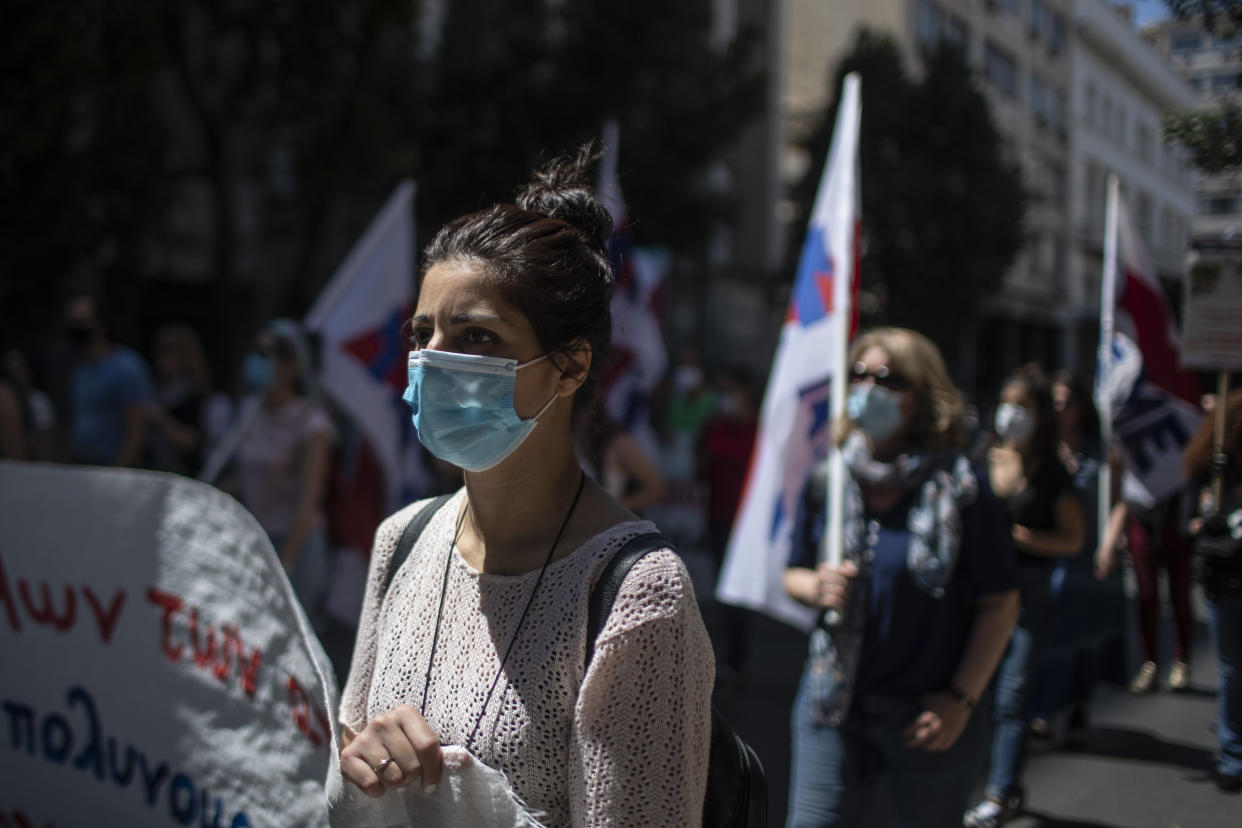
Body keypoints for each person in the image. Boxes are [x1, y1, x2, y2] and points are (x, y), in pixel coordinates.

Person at [335, 149, 714, 825]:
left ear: (568, 368)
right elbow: (345, 791)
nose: (433, 360)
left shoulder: (638, 594)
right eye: (423, 334)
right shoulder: (402, 541)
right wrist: (361, 769)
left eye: (476, 335)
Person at [783, 327, 1019, 828]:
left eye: (886, 378)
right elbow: (792, 574)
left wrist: (960, 700)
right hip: (832, 706)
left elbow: (1000, 603)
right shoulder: (831, 476)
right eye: (859, 374)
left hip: (927, 718)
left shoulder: (961, 487)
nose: (869, 387)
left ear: (920, 395)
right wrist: (814, 586)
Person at [965, 366, 1086, 827]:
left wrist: (1021, 538)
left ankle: (1001, 791)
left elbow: (1073, 539)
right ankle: (975, 781)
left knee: (1012, 696)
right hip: (976, 593)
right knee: (974, 690)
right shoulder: (980, 455)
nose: (1013, 414)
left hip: (1027, 595)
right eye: (1008, 403)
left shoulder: (1051, 473)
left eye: (1025, 407)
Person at [1029, 371, 1119, 745]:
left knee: (1085, 634)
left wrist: (1110, 543)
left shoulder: (1102, 449)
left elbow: (1119, 500)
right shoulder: (1043, 449)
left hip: (1092, 555)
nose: (1060, 408)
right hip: (1055, 554)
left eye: (1067, 401)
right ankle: (1045, 711)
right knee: (1055, 634)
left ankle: (1079, 700)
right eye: (1055, 402)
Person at [231, 318, 336, 629]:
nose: (257, 362)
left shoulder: (311, 423)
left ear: (291, 366)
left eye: (268, 355)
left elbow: (308, 504)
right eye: (256, 353)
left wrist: (286, 564)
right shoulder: (248, 411)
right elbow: (247, 481)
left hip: (295, 549)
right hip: (254, 545)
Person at [1184, 389, 1242, 794]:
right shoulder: (1213, 471)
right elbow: (1191, 524)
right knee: (1232, 670)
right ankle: (1232, 755)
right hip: (1228, 581)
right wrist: (1212, 519)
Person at [698, 366, 759, 677]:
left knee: (739, 593)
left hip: (747, 523)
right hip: (717, 517)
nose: (725, 397)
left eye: (730, 389)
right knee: (722, 589)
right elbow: (702, 467)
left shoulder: (760, 431)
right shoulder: (714, 426)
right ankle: (723, 657)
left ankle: (737, 658)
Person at [63, 293, 154, 467]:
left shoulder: (125, 367)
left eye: (82, 321)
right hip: (82, 463)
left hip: (111, 466)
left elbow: (138, 428)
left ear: (100, 324)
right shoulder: (81, 370)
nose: (75, 327)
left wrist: (118, 470)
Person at [146, 323, 232, 476]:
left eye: (169, 353)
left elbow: (192, 442)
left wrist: (161, 419)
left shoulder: (199, 396)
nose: (162, 360)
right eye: (161, 353)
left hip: (187, 476)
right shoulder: (160, 391)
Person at [575, 400, 666, 514]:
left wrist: (613, 509)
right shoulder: (570, 442)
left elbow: (656, 488)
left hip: (606, 523)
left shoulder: (617, 442)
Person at [2, 347, 57, 461]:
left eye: (18, 369)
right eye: (10, 370)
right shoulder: (6, 396)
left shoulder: (39, 400)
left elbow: (46, 440)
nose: (14, 375)